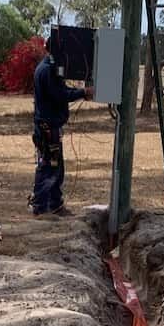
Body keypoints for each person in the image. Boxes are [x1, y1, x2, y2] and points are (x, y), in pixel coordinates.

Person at [30, 44, 94, 216]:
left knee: (55, 167)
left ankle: (55, 205)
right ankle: (41, 208)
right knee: (49, 167)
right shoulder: (48, 70)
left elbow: (62, 90)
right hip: (48, 127)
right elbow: (60, 95)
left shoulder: (48, 67)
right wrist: (82, 93)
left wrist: (81, 92)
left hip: (48, 126)